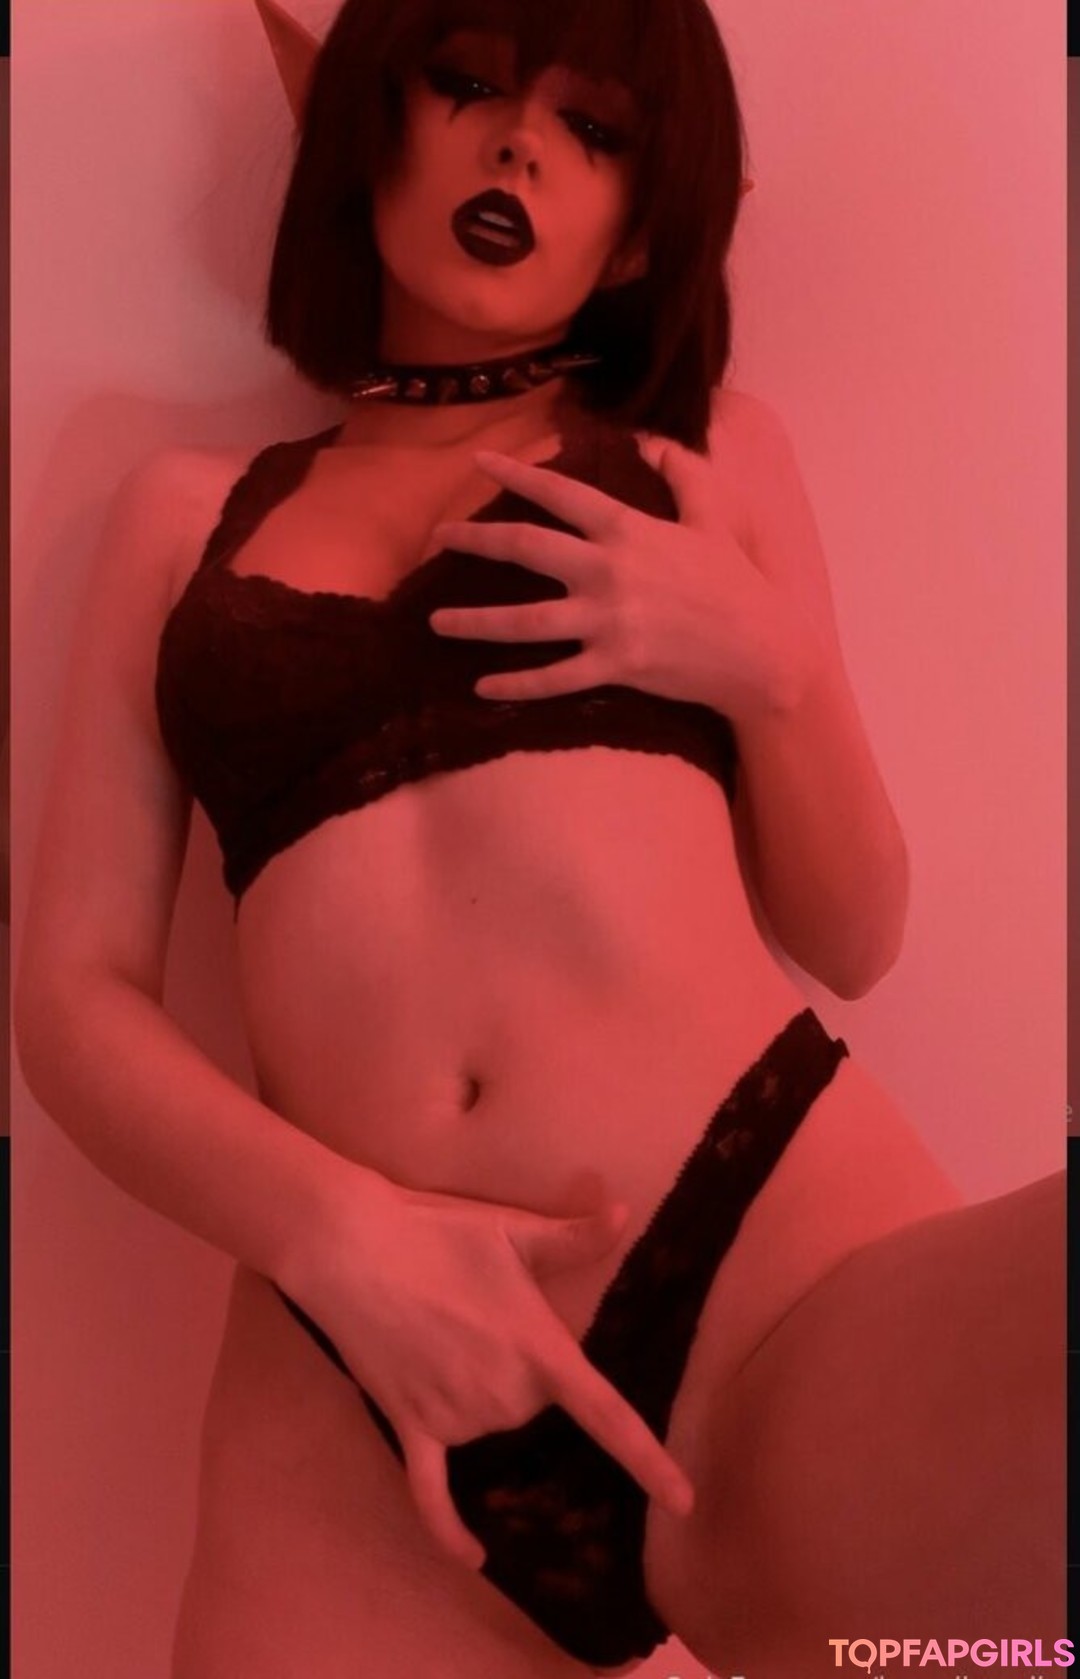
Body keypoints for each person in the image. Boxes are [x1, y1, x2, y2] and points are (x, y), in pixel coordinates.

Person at [15, 1, 1063, 1675]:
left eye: (595, 130)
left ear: (642, 229)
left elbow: (855, 930)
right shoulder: (181, 519)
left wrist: (774, 672)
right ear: (369, 124)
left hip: (764, 1272)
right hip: (351, 1373)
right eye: (468, 86)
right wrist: (332, 1235)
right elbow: (71, 999)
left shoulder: (705, 456)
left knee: (999, 1659)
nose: (520, 143)